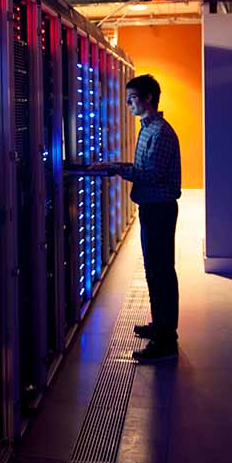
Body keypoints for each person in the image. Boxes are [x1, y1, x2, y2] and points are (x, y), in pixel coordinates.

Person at [91, 74, 181, 362]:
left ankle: (166, 341)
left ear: (148, 99)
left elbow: (151, 175)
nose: (127, 103)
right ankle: (160, 326)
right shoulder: (147, 129)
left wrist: (115, 168)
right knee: (154, 271)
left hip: (159, 209)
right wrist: (115, 166)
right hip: (151, 208)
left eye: (131, 98)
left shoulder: (160, 133)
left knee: (162, 272)